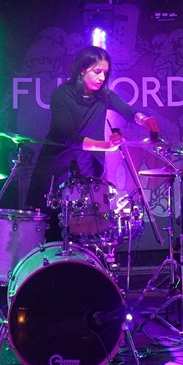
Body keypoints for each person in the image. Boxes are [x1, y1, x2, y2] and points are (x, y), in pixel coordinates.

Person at [28, 45, 159, 241]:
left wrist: (144, 119)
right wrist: (105, 145)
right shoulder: (62, 95)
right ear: (82, 70)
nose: (102, 77)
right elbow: (67, 136)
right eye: (97, 71)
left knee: (86, 230)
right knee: (52, 231)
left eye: (105, 73)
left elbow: (127, 110)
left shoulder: (104, 96)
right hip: (57, 168)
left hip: (87, 169)